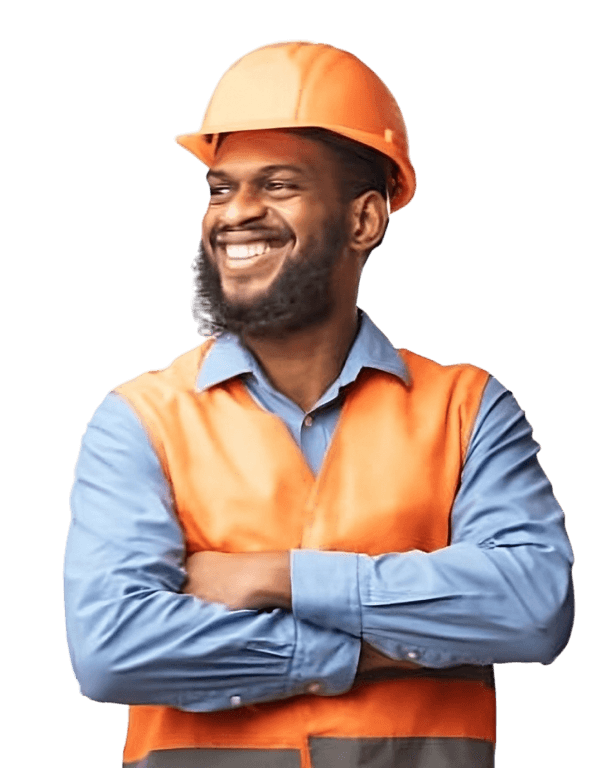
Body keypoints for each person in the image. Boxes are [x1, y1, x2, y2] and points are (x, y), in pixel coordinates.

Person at [63, 40, 574, 768]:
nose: (235, 214)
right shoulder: (140, 417)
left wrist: (276, 576)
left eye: (276, 185)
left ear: (364, 221)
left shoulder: (470, 408)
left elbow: (532, 607)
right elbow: (113, 650)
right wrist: (372, 647)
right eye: (219, 188)